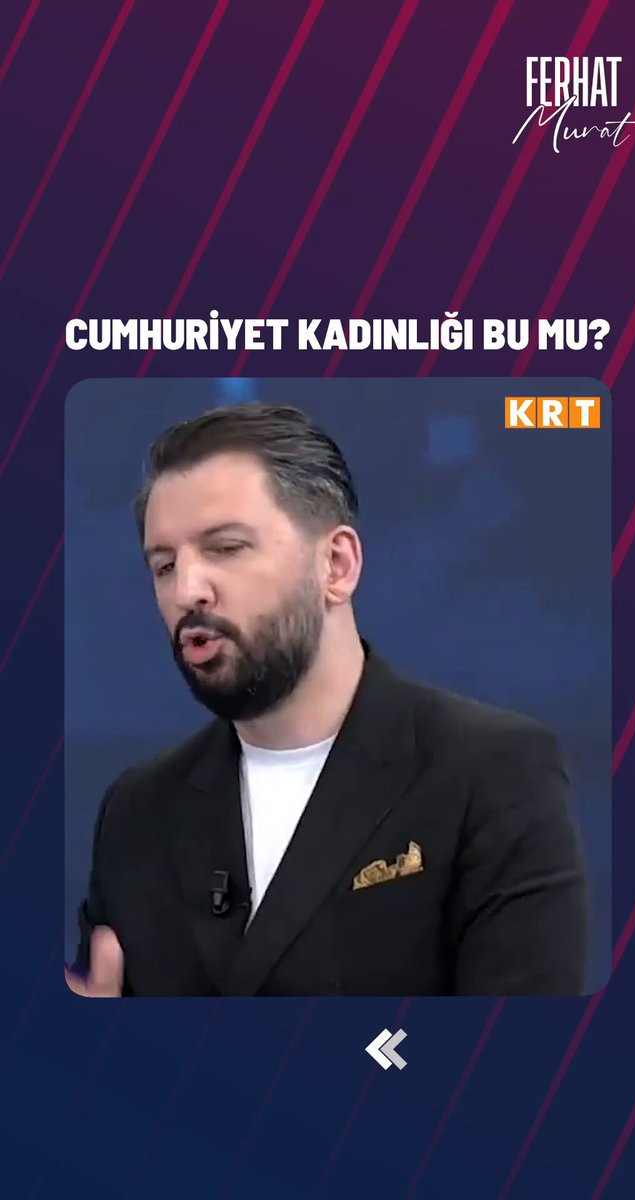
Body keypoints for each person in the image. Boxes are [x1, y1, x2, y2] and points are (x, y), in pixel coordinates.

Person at [66, 403, 587, 998]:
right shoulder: (136, 812)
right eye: (164, 566)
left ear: (336, 566)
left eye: (226, 548)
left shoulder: (493, 773)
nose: (187, 590)